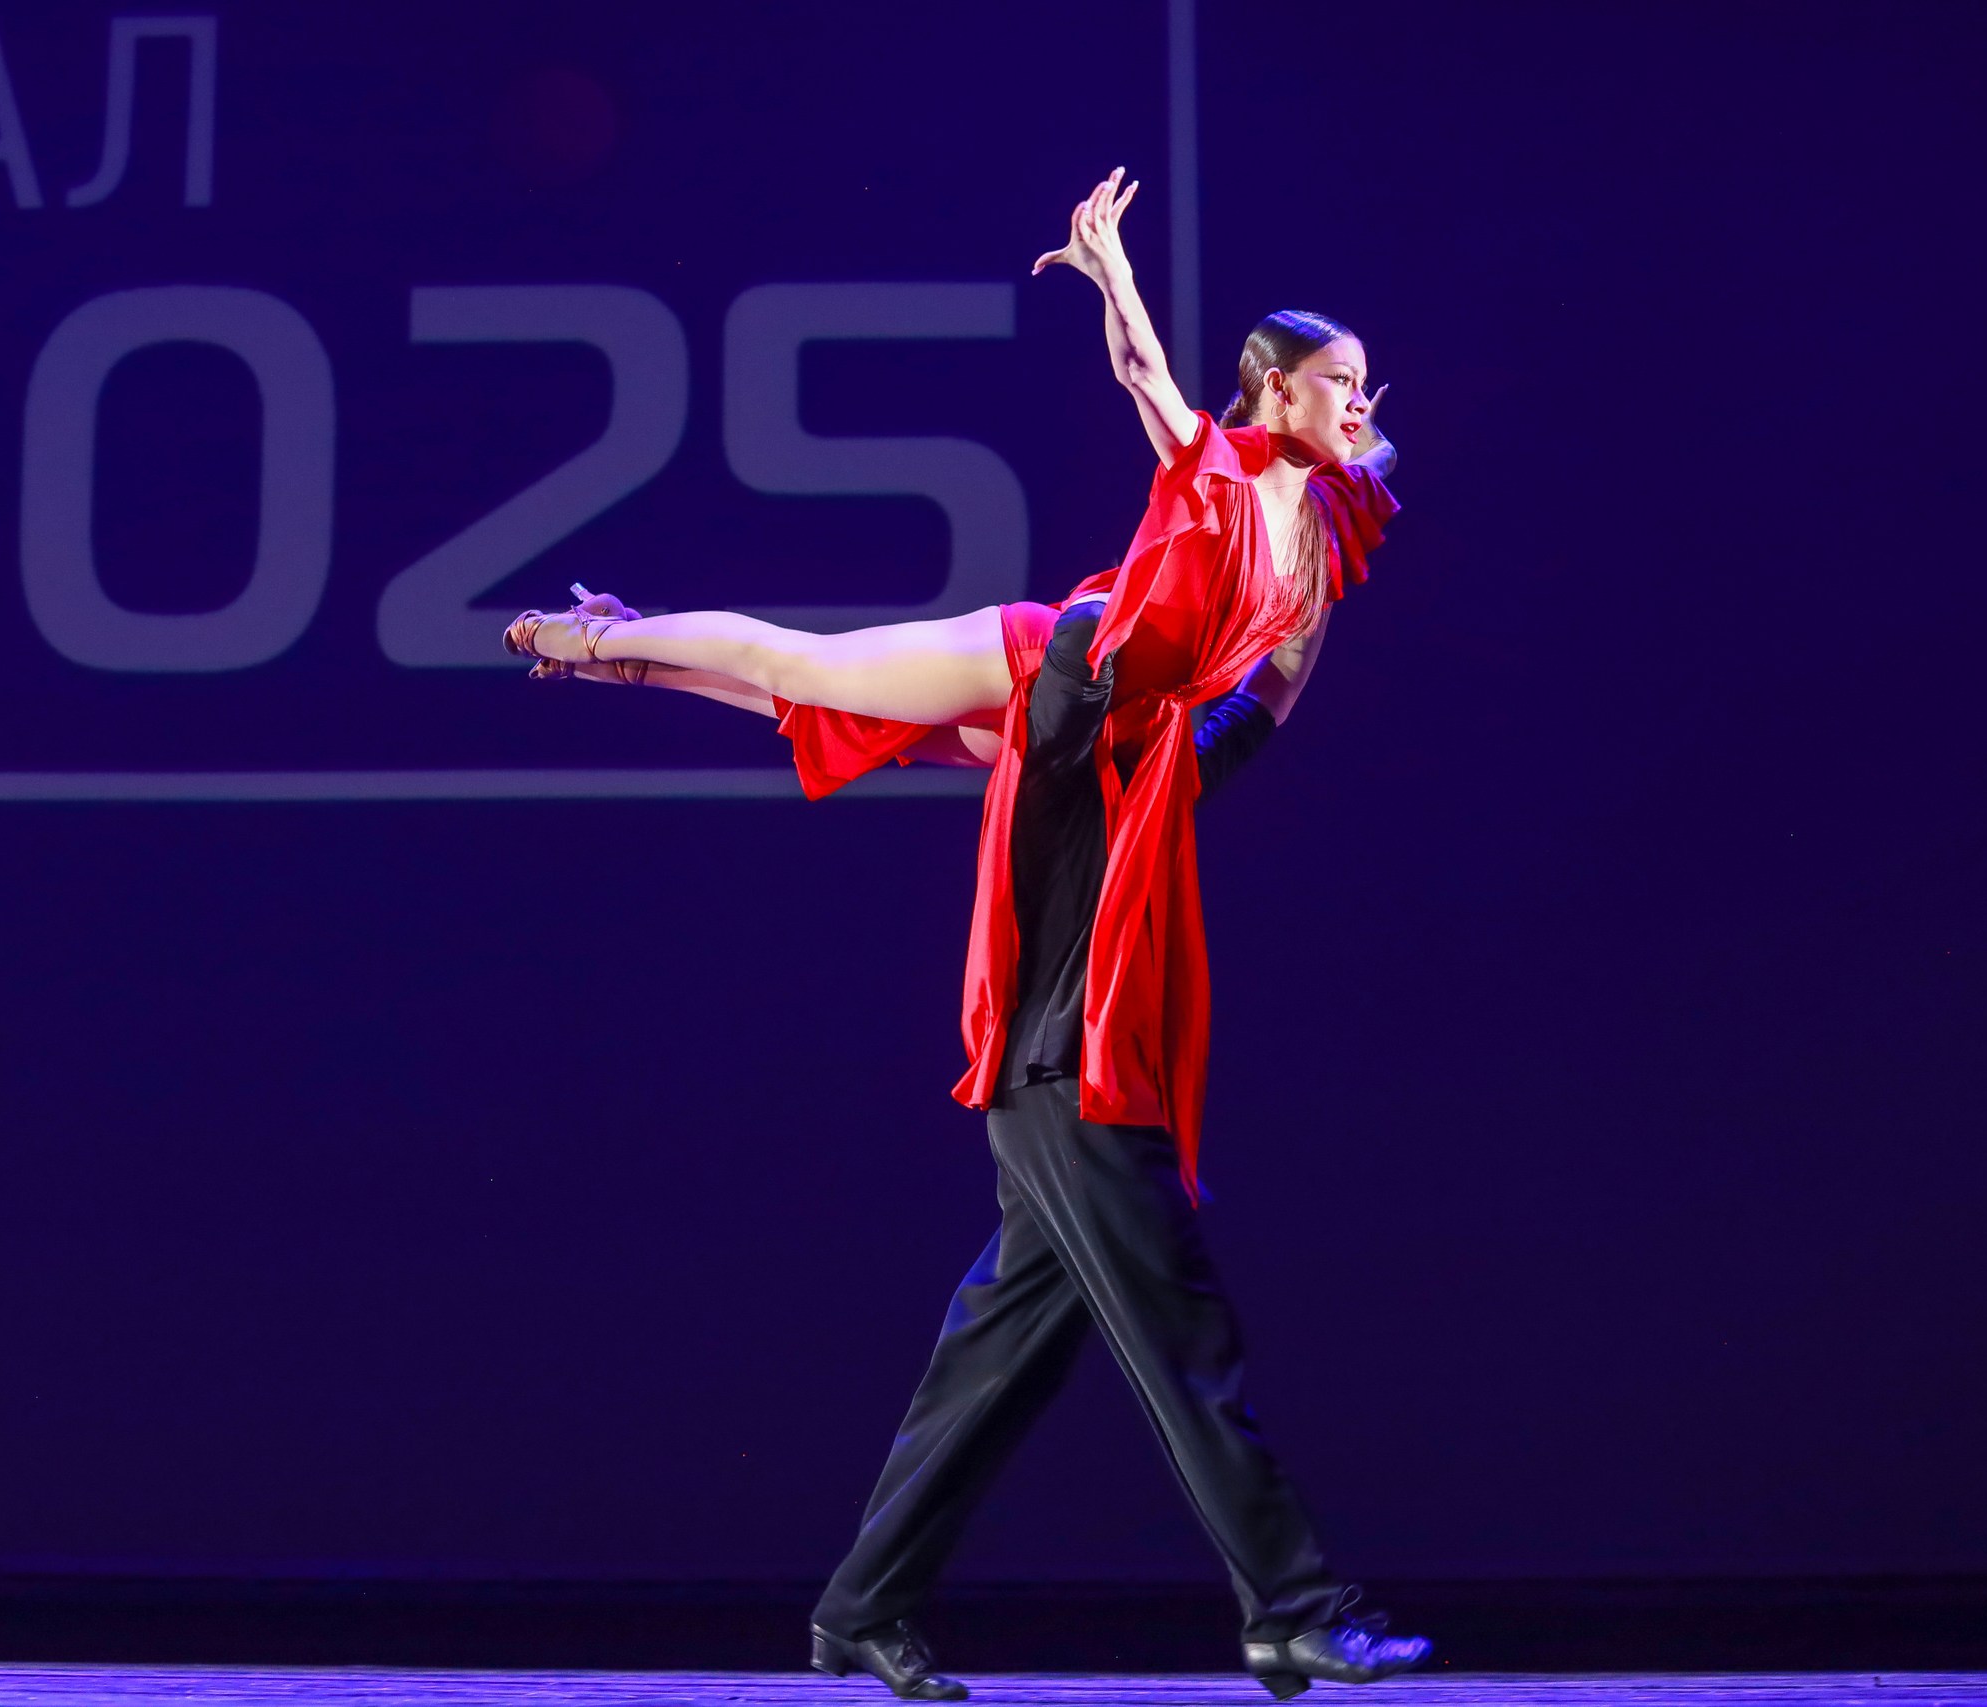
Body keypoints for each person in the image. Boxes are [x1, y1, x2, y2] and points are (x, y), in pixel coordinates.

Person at [516, 170, 1433, 1697]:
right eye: (1334, 380)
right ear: (1273, 388)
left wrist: (1187, 764)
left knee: (1016, 1323)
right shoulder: (1219, 460)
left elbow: (1267, 697)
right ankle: (600, 638)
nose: (1359, 400)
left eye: (1363, 384)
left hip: (1123, 752)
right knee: (816, 671)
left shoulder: (1324, 526)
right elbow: (1148, 383)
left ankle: (863, 1607)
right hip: (1065, 670)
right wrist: (1112, 272)